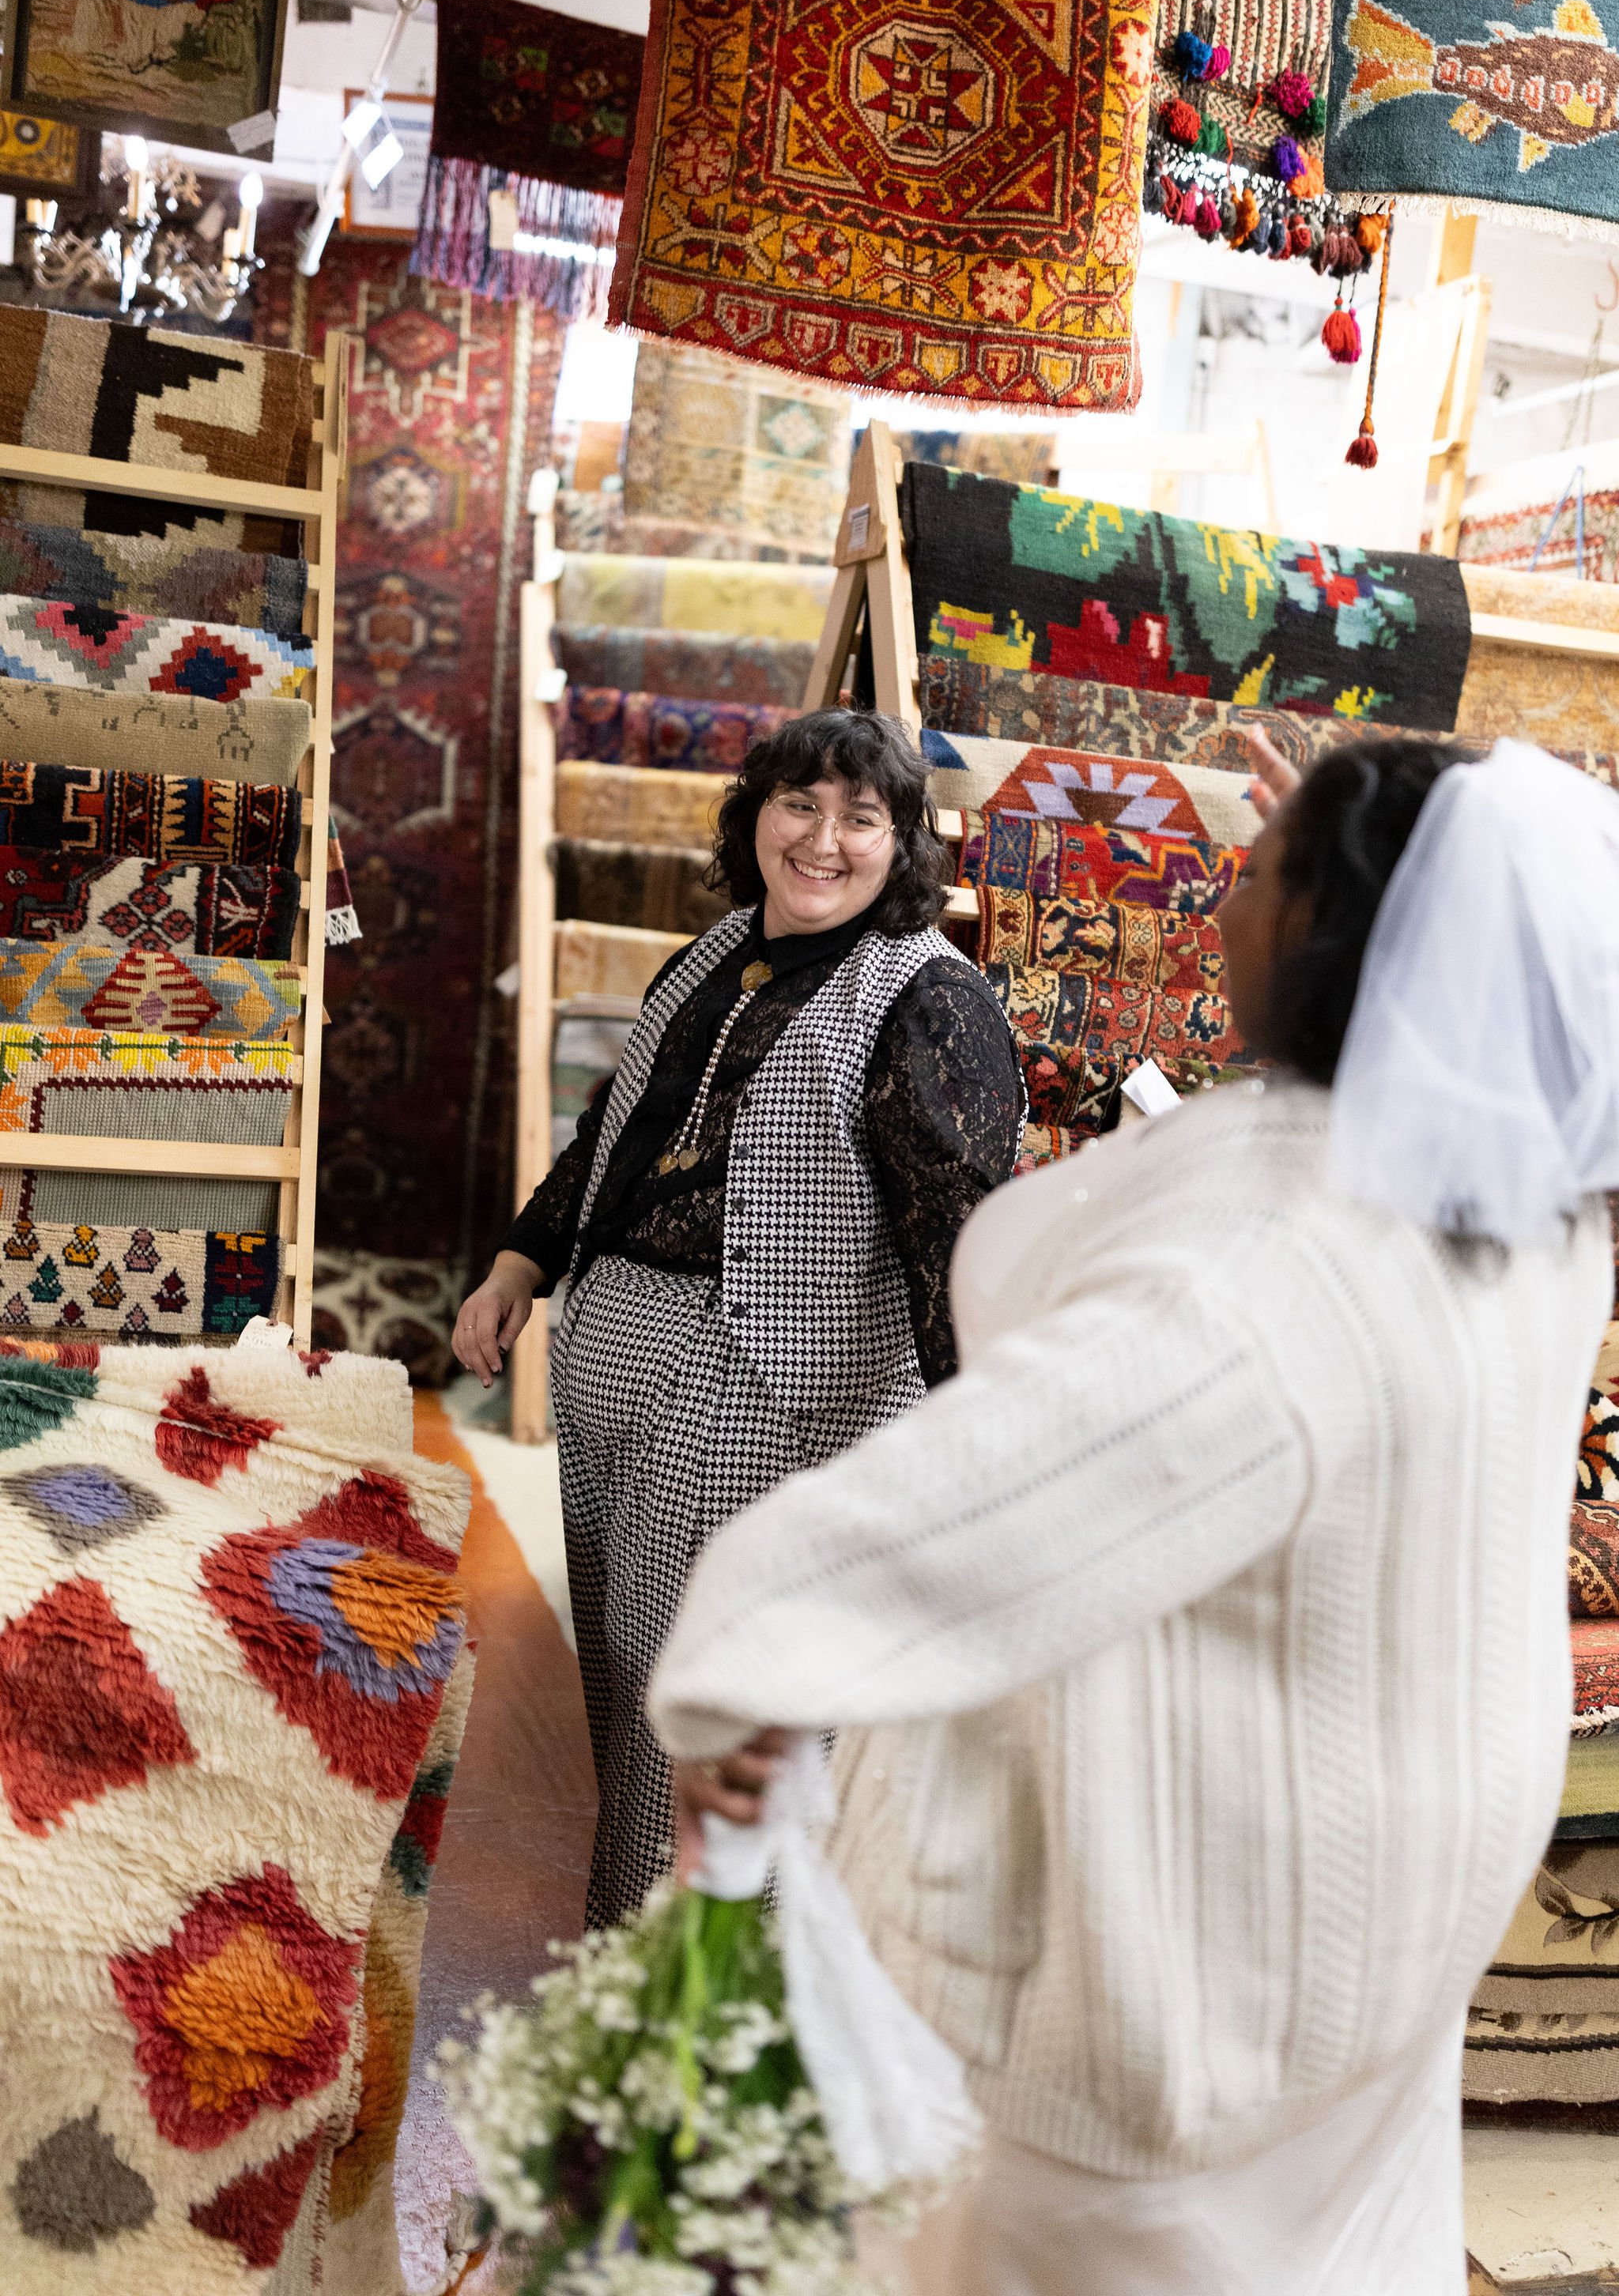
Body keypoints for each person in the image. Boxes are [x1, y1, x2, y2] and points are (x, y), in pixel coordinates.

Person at [651, 734, 1619, 2296]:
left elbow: (984, 1503)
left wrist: (742, 1659)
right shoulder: (1522, 1206)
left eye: (1253, 870)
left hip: (1168, 1965)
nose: (1211, 899)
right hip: (1364, 1927)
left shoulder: (1282, 1280)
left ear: (1327, 939)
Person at [453, 709, 1025, 1928]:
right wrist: (518, 1266)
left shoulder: (932, 1001)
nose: (824, 841)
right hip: (619, 1353)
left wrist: (983, 1441)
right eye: (798, 806)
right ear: (753, 817)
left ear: (903, 842)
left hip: (766, 1391)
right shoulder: (712, 952)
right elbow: (615, 1137)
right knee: (621, 1674)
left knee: (710, 1704)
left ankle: (685, 1999)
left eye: (861, 819)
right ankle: (645, 1957)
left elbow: (957, 1238)